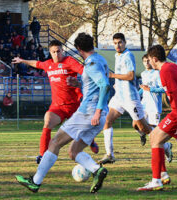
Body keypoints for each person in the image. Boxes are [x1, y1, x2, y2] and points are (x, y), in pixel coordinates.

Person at [15, 32, 110, 193]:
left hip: (89, 112)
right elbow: (95, 85)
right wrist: (78, 83)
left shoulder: (91, 63)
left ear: (79, 49)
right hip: (99, 114)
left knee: (55, 143)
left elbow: (104, 85)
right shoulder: (101, 59)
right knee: (73, 152)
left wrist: (96, 112)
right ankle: (96, 170)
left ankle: (35, 182)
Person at [12, 39, 99, 164]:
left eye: (58, 51)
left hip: (75, 105)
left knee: (83, 130)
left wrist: (82, 82)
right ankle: (42, 155)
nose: (56, 54)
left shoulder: (69, 61)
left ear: (62, 51)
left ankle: (91, 141)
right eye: (53, 52)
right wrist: (22, 61)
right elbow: (37, 63)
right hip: (58, 107)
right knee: (47, 122)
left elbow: (85, 72)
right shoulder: (48, 64)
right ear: (50, 52)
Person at [137, 45, 177, 191]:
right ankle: (162, 175)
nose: (149, 62)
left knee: (156, 139)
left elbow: (176, 97)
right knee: (154, 137)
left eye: (149, 59)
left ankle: (156, 181)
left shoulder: (165, 71)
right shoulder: (173, 67)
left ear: (154, 59)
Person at [99, 33, 152, 164]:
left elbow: (130, 76)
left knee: (143, 128)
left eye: (120, 42)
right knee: (107, 121)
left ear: (125, 43)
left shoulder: (128, 55)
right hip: (119, 97)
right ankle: (109, 154)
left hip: (130, 97)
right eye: (115, 43)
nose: (118, 45)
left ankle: (166, 146)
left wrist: (113, 75)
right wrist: (117, 83)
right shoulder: (118, 56)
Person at [139, 54, 173, 163]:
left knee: (154, 131)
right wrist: (135, 93)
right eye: (144, 61)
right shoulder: (143, 74)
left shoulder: (157, 73)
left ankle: (166, 147)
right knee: (137, 122)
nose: (147, 63)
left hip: (154, 106)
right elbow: (143, 89)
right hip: (143, 104)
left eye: (148, 61)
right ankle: (142, 135)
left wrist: (151, 89)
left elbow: (163, 89)